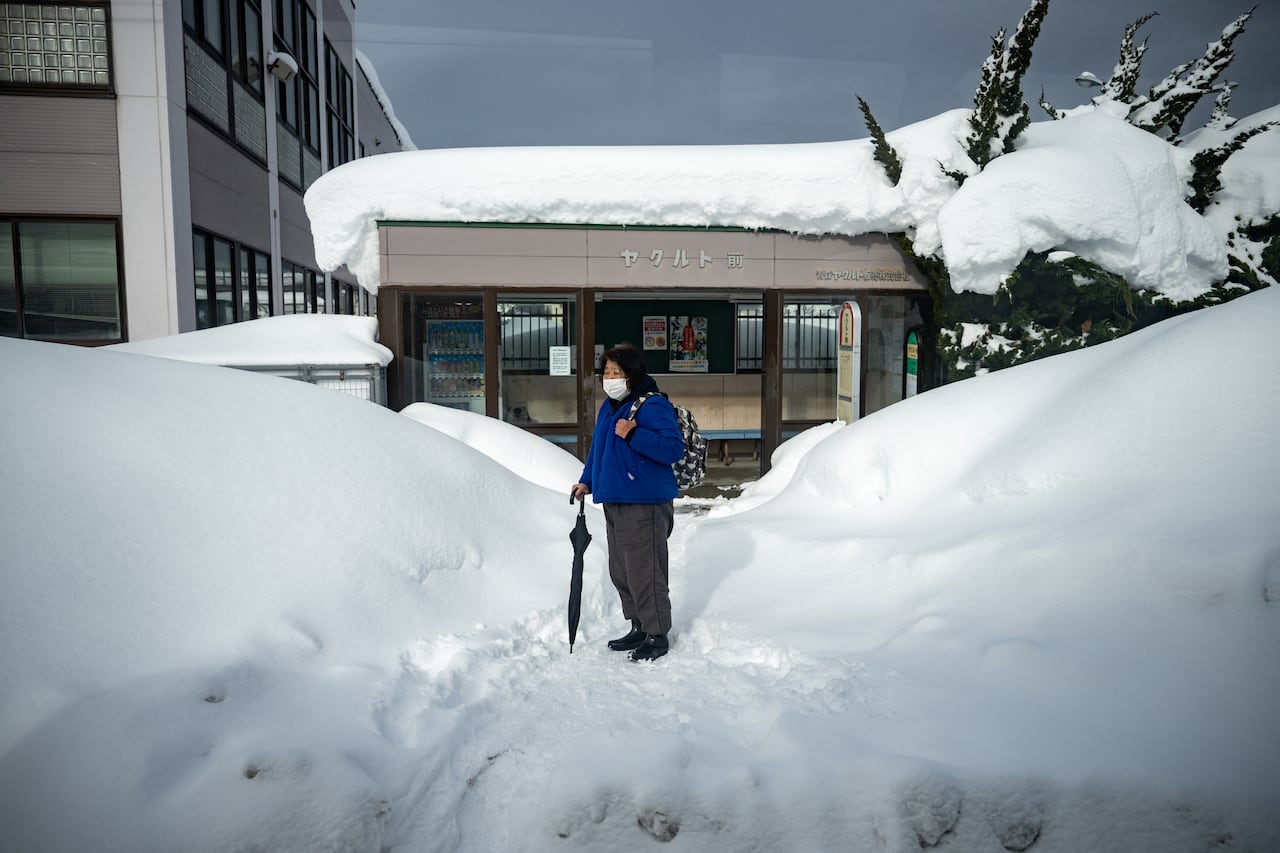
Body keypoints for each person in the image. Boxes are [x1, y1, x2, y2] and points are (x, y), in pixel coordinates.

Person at [570, 343, 685, 662]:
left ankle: (657, 632)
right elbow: (598, 450)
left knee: (645, 570)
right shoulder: (609, 406)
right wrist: (586, 481)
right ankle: (639, 626)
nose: (609, 377)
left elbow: (673, 449)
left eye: (616, 372)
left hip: (644, 501)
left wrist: (635, 434)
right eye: (606, 372)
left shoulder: (651, 405)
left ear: (633, 374)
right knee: (622, 570)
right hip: (615, 498)